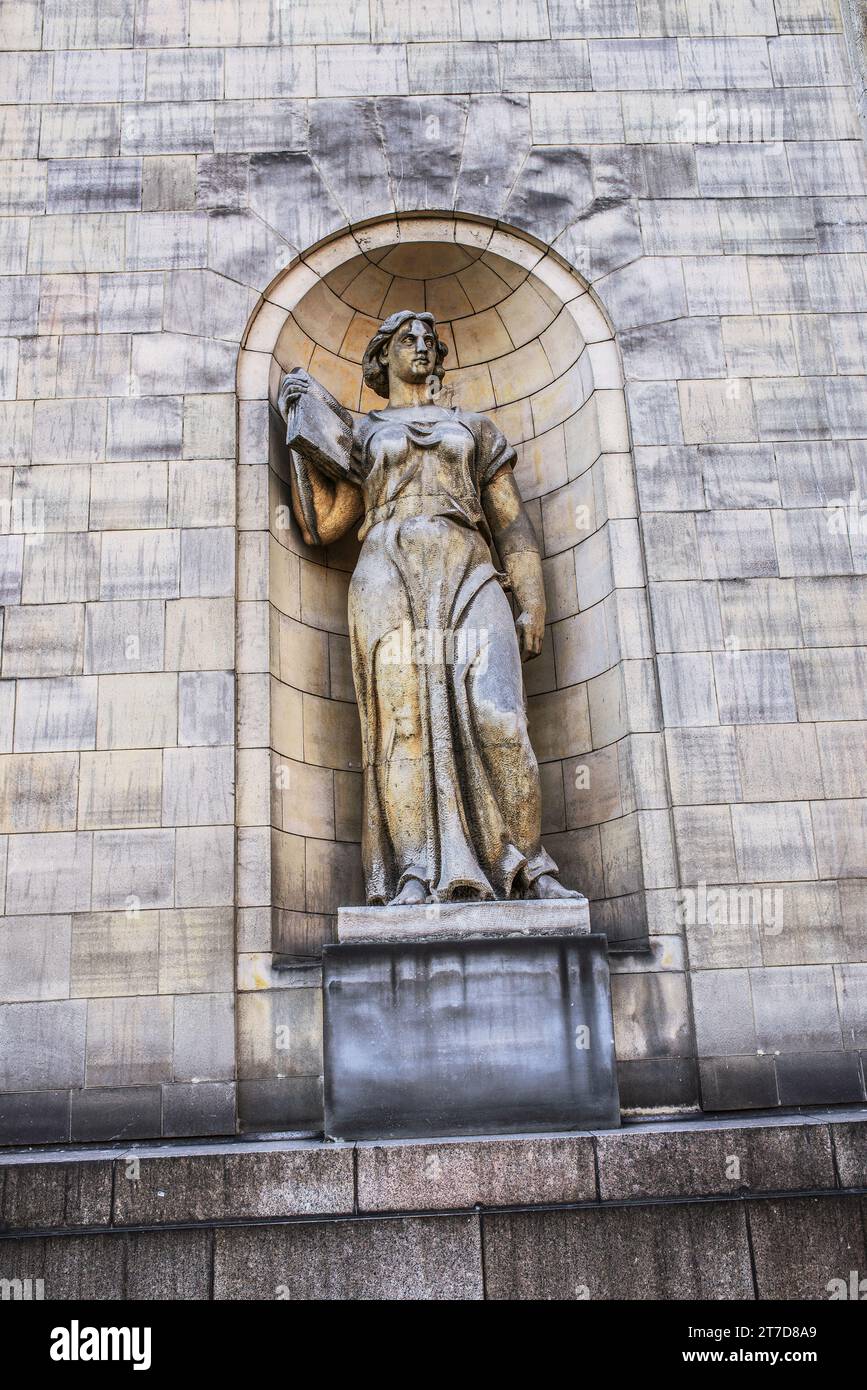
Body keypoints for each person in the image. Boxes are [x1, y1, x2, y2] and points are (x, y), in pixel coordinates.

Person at [279, 309, 584, 907]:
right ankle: (415, 869)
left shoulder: (472, 425)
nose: (421, 346)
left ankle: (526, 866)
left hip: (468, 564)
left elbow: (512, 525)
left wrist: (531, 601)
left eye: (429, 339)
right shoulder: (361, 432)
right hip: (387, 571)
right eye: (406, 339)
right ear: (382, 357)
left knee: (500, 716)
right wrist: (300, 431)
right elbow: (328, 524)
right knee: (404, 726)